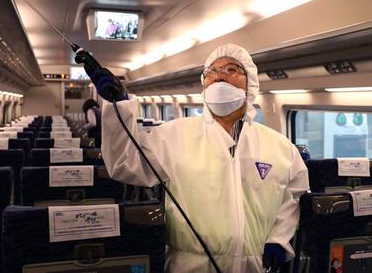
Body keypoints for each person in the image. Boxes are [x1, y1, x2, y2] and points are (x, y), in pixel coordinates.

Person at [81, 43, 309, 273]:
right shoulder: (173, 135)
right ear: (204, 83)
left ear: (250, 83)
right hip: (190, 265)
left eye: (231, 69)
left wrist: (279, 238)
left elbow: (292, 196)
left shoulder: (279, 147)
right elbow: (124, 163)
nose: (220, 76)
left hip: (256, 266)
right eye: (212, 71)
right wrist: (118, 104)